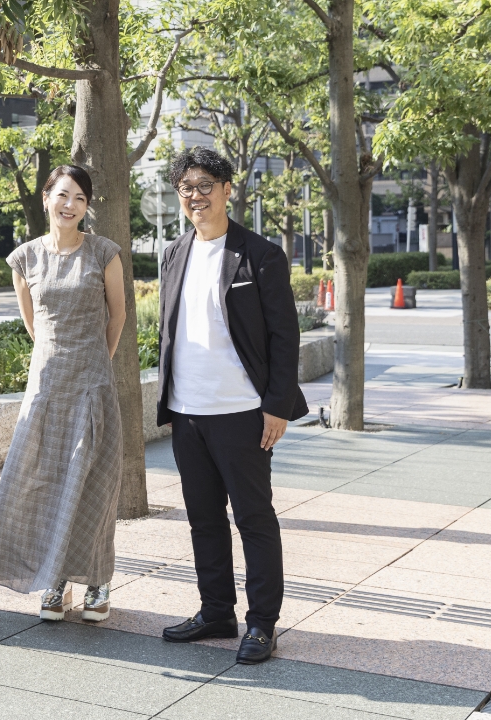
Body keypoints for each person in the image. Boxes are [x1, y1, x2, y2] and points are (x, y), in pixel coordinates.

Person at [155, 147, 307, 664]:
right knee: (204, 519)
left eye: (205, 185)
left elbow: (285, 336)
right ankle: (216, 611)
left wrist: (277, 406)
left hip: (243, 412)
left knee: (254, 519)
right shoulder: (174, 252)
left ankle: (262, 623)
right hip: (187, 411)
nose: (195, 196)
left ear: (226, 189)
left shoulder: (260, 255)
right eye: (186, 188)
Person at [0, 164, 126, 622]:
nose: (70, 205)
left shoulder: (104, 252)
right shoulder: (24, 258)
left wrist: (96, 361)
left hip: (92, 385)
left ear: (87, 206)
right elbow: (33, 323)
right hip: (46, 387)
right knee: (42, 483)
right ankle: (54, 579)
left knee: (95, 484)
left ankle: (98, 582)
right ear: (46, 198)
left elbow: (117, 316)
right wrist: (56, 359)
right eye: (63, 195)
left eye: (80, 198)